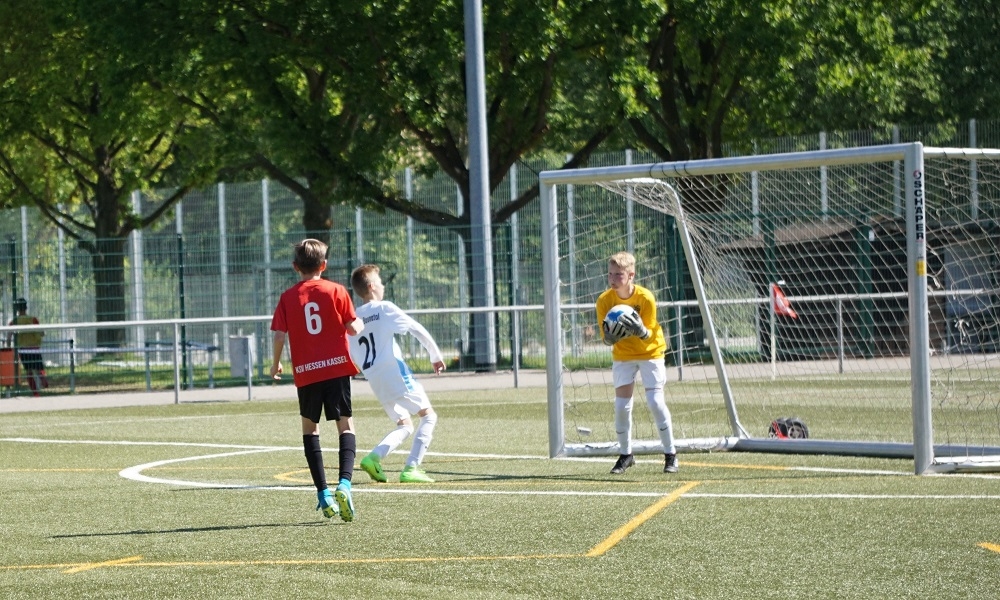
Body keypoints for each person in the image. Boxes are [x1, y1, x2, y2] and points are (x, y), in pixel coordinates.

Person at [270, 239, 364, 522]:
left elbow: (279, 334)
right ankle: (344, 485)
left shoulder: (288, 297)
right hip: (336, 369)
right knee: (345, 425)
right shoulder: (337, 290)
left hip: (307, 372)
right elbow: (353, 328)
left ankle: (323, 493)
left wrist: (275, 363)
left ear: (295, 267)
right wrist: (360, 324)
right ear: (324, 265)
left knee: (310, 430)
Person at [349, 264, 445, 484]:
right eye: (380, 282)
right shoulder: (384, 308)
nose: (383, 286)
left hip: (374, 378)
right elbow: (415, 328)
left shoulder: (353, 317)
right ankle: (412, 468)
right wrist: (435, 355)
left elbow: (351, 351)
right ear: (372, 286)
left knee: (405, 424)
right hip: (396, 373)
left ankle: (374, 458)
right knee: (428, 416)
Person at [596, 251, 678, 475]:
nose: (613, 279)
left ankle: (670, 454)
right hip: (623, 356)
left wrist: (641, 331)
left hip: (651, 353)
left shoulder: (645, 298)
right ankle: (626, 455)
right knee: (621, 406)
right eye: (610, 274)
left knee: (655, 402)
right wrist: (609, 337)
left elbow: (649, 334)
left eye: (618, 275)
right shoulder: (604, 301)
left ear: (631, 275)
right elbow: (605, 337)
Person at [6, 298, 48, 397]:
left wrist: (8, 346)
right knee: (38, 368)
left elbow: (9, 337)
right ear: (26, 307)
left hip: (23, 349)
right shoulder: (33, 319)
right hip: (34, 348)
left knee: (29, 371)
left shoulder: (14, 322)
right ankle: (43, 380)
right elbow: (42, 333)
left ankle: (35, 393)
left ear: (17, 309)